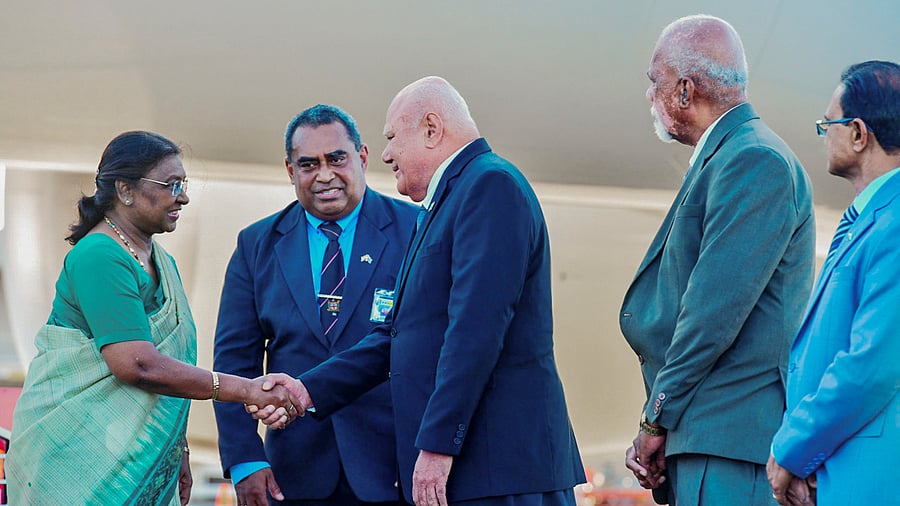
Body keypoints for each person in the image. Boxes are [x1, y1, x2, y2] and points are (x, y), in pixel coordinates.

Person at [254, 76, 585, 506]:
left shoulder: (489, 186)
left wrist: (438, 444)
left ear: (432, 129)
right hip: (477, 470)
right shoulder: (444, 203)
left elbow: (476, 329)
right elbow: (397, 334)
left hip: (498, 467)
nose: (386, 154)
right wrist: (307, 389)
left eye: (392, 137)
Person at [5, 131, 298, 506]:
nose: (184, 196)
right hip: (78, 459)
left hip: (131, 454)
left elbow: (166, 375)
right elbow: (138, 365)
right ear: (125, 190)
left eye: (183, 184)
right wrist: (246, 389)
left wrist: (177, 448)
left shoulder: (162, 261)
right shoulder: (100, 256)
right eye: (171, 184)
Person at [619, 15, 815, 505]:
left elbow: (710, 315)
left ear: (685, 91)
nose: (649, 95)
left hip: (732, 448)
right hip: (710, 441)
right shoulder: (731, 156)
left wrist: (655, 417)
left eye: (655, 82)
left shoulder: (754, 160)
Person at [212, 104, 417, 506]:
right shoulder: (257, 245)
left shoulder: (415, 230)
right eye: (308, 164)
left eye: (336, 159)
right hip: (292, 474)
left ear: (361, 157)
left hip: (393, 469)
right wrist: (244, 458)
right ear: (291, 171)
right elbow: (235, 360)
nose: (324, 175)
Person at [767, 60, 900, 506]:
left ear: (860, 134)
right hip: (842, 473)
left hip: (873, 480)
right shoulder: (873, 219)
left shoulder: (895, 224)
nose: (825, 133)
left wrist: (792, 449)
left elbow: (869, 365)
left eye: (830, 123)